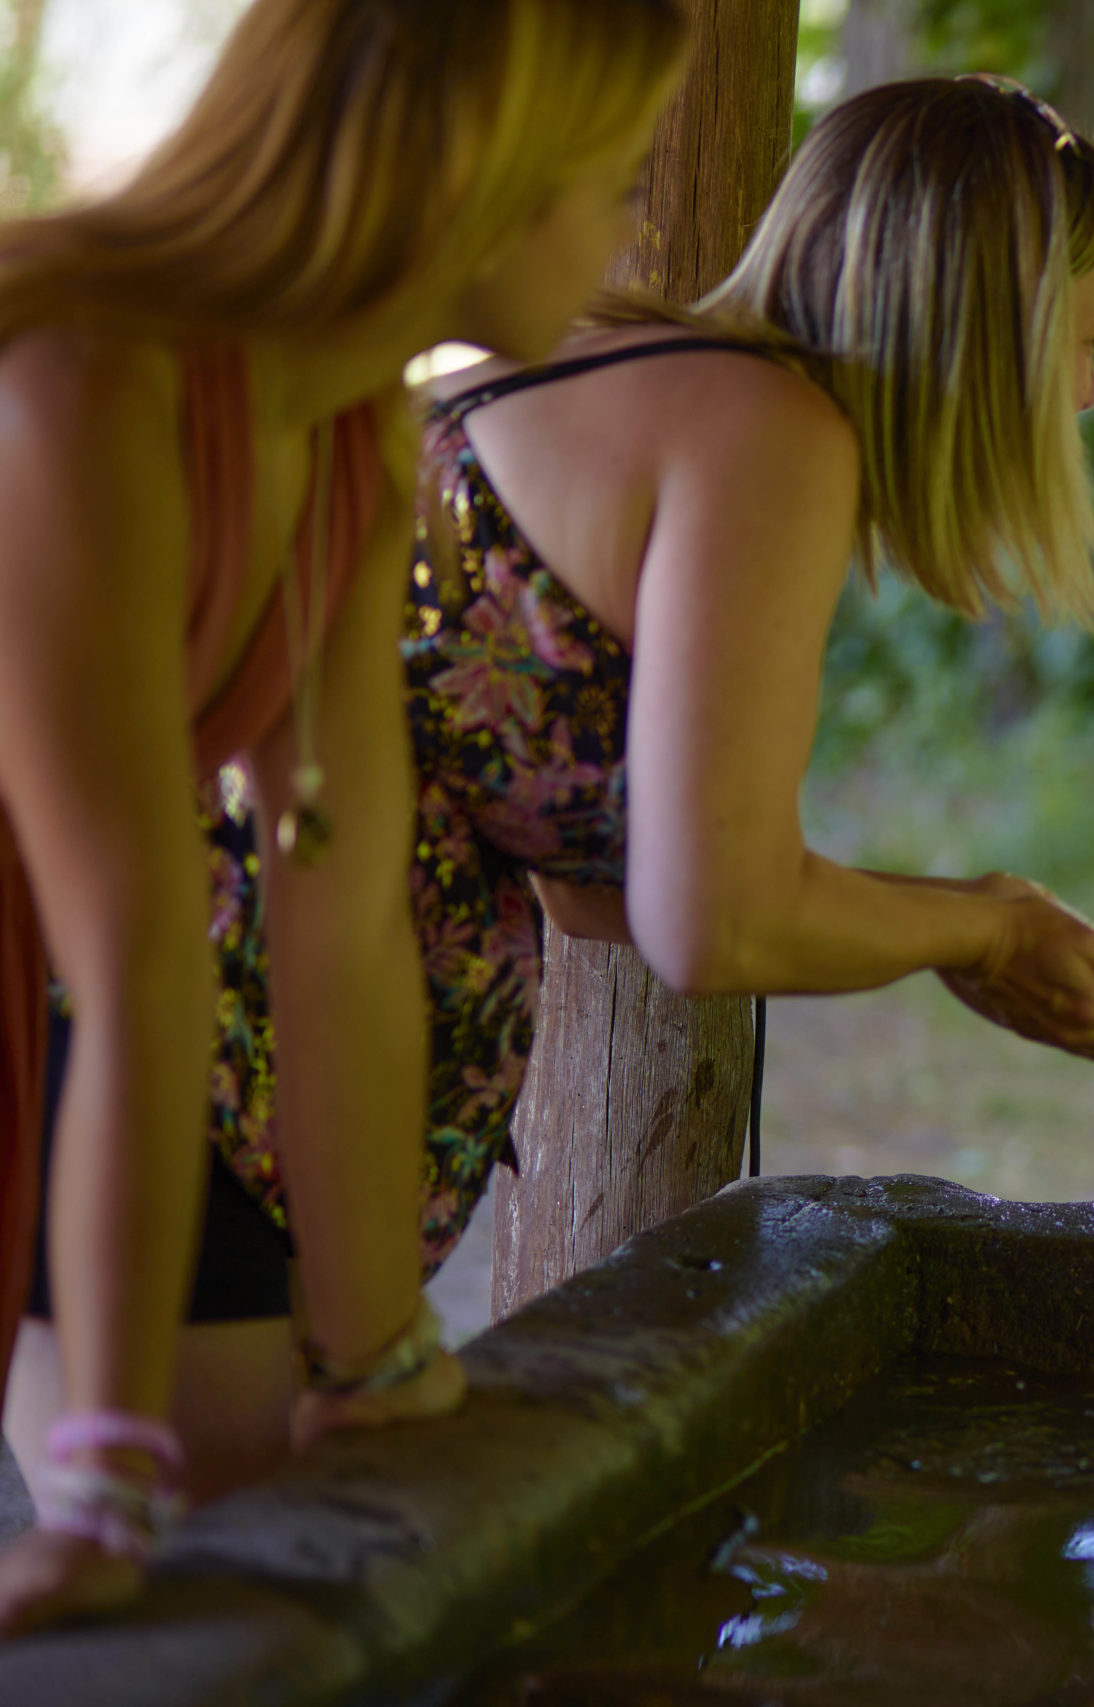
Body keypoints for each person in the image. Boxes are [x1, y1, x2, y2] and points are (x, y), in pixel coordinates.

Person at [91, 76, 1094, 1494]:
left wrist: (948, 923)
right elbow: (710, 920)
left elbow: (601, 886)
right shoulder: (769, 437)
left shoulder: (630, 369)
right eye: (1082, 340)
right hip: (217, 1064)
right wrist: (982, 923)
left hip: (234, 1069)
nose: (1091, 394)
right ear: (979, 313)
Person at [0, 0, 690, 1627]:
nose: (635, 228)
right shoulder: (87, 388)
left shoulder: (351, 433)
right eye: (615, 178)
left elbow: (339, 907)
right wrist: (106, 1477)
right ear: (476, 179)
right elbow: (140, 953)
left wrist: (379, 1351)